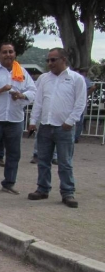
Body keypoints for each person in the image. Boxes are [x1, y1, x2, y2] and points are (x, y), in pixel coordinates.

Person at [27, 48, 86, 208]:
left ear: (64, 59)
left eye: (53, 60)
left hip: (64, 128)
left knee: (65, 162)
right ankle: (42, 189)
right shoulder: (44, 79)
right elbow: (38, 101)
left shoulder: (76, 79)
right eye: (48, 60)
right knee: (43, 161)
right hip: (45, 126)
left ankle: (68, 193)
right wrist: (33, 121)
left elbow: (80, 103)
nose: (50, 63)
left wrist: (70, 121)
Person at [0, 42, 36, 194]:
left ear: (15, 54)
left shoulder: (21, 72)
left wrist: (21, 95)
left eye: (10, 52)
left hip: (14, 119)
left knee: (14, 153)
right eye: (4, 52)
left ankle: (9, 183)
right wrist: (0, 90)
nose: (8, 54)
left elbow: (33, 92)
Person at [74, 68, 97, 143]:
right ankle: (75, 137)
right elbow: (93, 87)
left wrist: (86, 94)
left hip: (78, 101)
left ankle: (75, 137)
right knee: (79, 120)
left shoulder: (81, 79)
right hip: (79, 101)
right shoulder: (82, 79)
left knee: (78, 120)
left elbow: (92, 87)